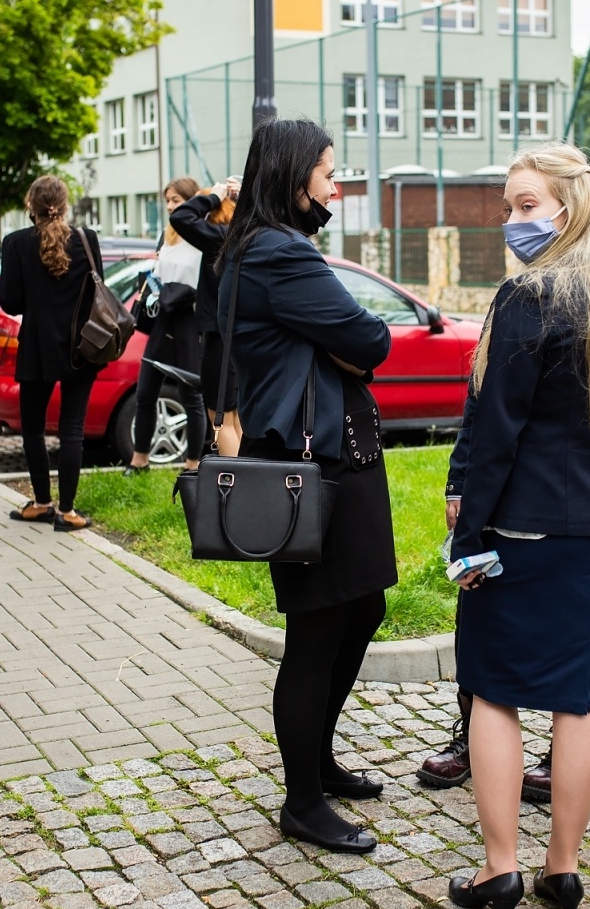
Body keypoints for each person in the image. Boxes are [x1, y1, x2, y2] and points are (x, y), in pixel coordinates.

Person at [444, 143, 590, 909]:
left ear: (568, 208)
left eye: (527, 205)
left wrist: (467, 533)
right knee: (581, 699)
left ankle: (501, 871)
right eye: (508, 206)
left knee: (495, 695)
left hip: (519, 527)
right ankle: (561, 872)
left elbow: (496, 432)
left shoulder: (526, 298)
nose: (513, 221)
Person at [219, 119, 393, 855]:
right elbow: (371, 339)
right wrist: (346, 340)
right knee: (318, 629)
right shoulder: (280, 255)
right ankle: (301, 801)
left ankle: (316, 762)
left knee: (362, 610)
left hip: (333, 455)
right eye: (327, 172)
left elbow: (349, 338)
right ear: (293, 179)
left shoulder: (264, 249)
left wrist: (340, 339)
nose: (336, 185)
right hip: (310, 463)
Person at [421, 297, 590, 803]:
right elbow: (483, 407)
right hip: (503, 508)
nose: (516, 224)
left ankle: (557, 762)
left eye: (528, 209)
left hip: (589, 518)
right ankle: (470, 739)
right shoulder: (520, 299)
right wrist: (458, 488)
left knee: (577, 663)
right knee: (482, 647)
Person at [0, 176, 102, 531]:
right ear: (65, 203)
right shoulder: (87, 239)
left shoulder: (15, 243)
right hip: (80, 347)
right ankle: (69, 513)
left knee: (33, 429)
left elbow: (10, 301)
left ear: (31, 206)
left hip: (37, 348)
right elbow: (96, 291)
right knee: (72, 430)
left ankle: (42, 503)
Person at [124, 178, 207, 475]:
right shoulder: (167, 235)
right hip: (163, 318)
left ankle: (193, 465)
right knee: (146, 391)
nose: (171, 206)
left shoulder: (201, 234)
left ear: (192, 200)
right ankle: (140, 459)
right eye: (168, 200)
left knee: (191, 397)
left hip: (188, 321)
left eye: (177, 200)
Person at [170, 176, 241, 455]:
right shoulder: (242, 235)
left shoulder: (218, 237)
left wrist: (214, 195)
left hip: (218, 337)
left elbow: (182, 217)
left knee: (219, 419)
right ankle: (247, 482)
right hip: (237, 335)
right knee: (233, 417)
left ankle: (237, 484)